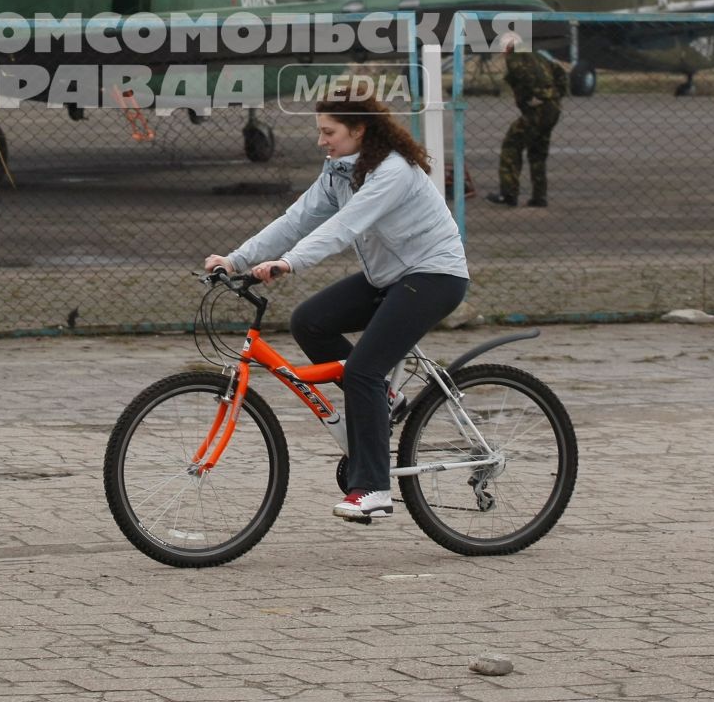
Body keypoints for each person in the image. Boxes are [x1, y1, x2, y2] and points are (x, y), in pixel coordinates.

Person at [204, 96, 469, 524]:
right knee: (309, 321)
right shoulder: (340, 171)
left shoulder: (393, 172)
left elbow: (344, 228)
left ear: (358, 130)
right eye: (320, 131)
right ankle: (385, 399)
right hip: (390, 277)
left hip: (434, 276)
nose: (320, 140)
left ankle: (374, 489)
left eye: (329, 132)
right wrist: (235, 259)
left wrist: (289, 262)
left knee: (362, 369)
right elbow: (297, 218)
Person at [488, 33, 564, 208]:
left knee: (511, 145)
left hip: (537, 110)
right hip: (553, 108)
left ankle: (508, 193)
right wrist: (555, 95)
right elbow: (560, 72)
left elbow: (523, 75)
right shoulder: (537, 54)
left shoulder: (516, 56)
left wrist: (533, 96)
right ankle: (539, 196)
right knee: (538, 151)